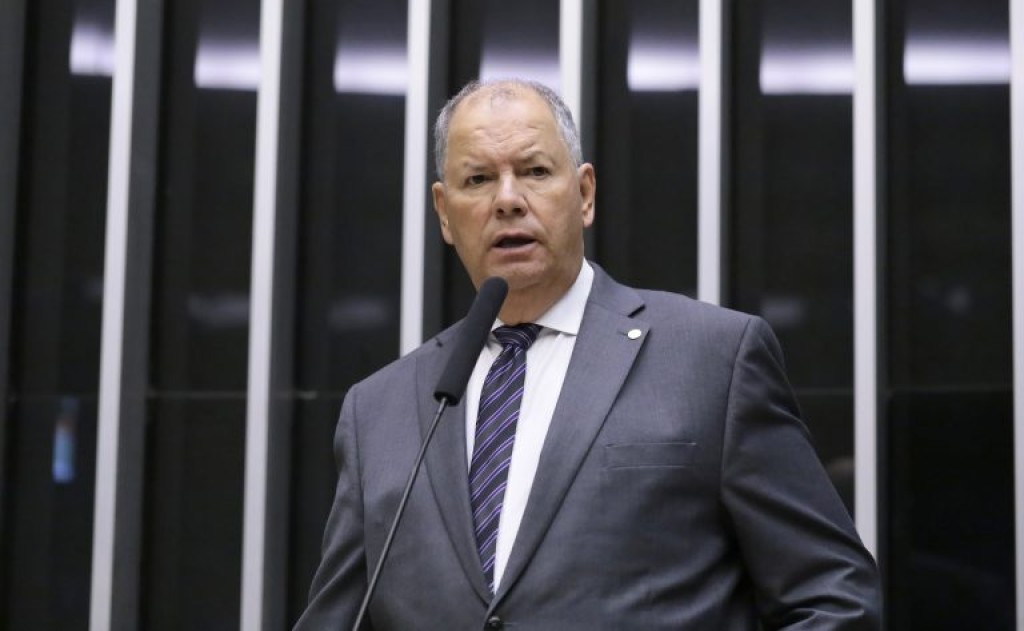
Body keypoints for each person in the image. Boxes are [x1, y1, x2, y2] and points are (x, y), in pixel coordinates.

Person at [294, 78, 882, 630]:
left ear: (584, 194)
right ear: (445, 214)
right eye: (478, 180)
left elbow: (833, 596)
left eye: (535, 171)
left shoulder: (713, 359)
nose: (508, 199)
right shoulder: (379, 411)